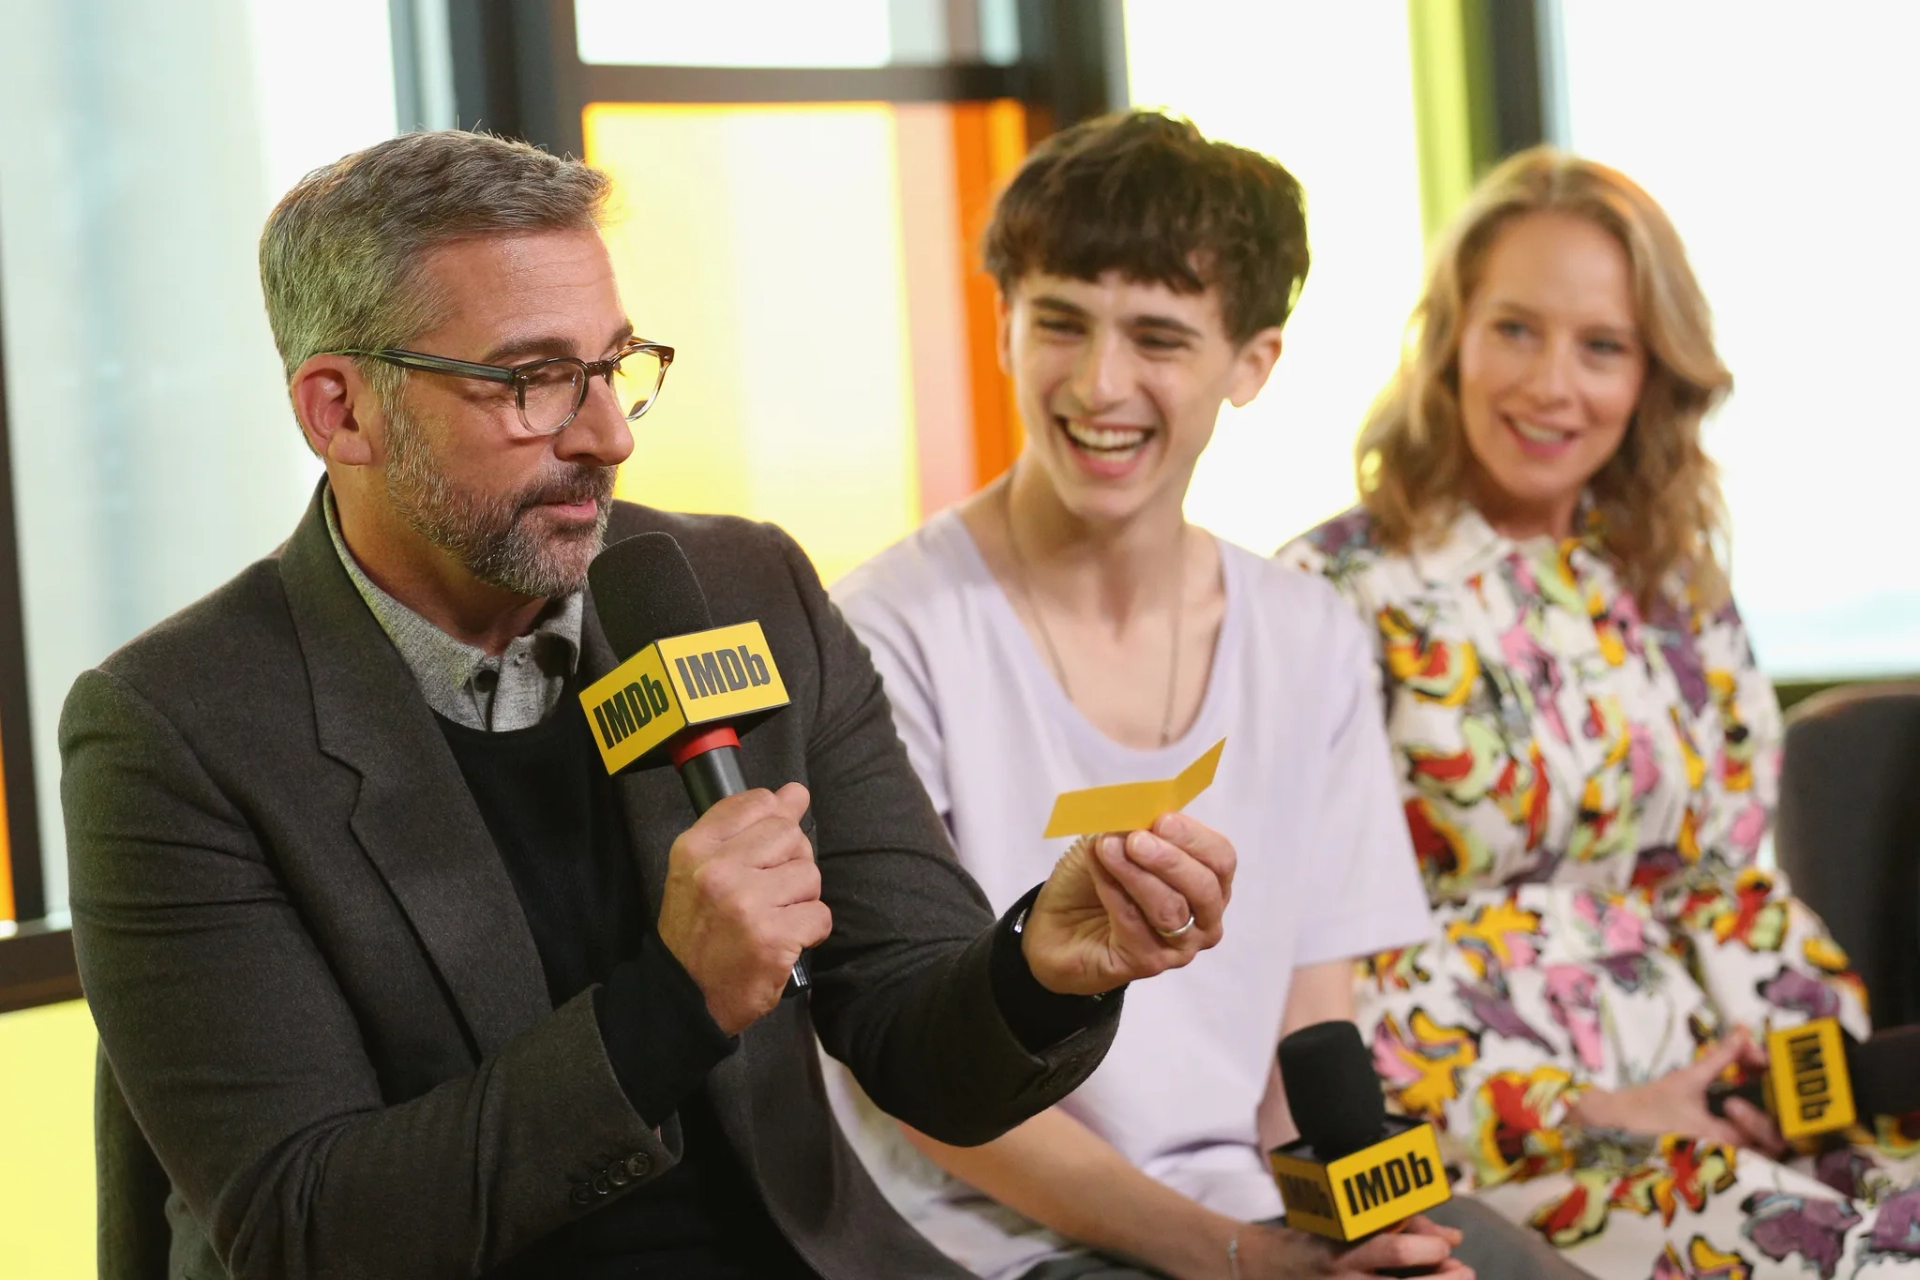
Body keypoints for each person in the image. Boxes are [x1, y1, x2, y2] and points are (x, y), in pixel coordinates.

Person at [60, 129, 1243, 1280]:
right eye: (531, 381)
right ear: (339, 411)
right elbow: (304, 1224)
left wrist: (1042, 965)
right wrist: (671, 1005)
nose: (609, 434)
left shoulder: (747, 588)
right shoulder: (173, 729)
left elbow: (917, 1043)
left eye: (616, 365)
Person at [824, 111, 1584, 1280]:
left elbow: (1308, 1039)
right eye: (1060, 322)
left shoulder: (1307, 631)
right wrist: (1233, 1255)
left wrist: (1353, 1236)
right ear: (1003, 324)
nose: (1099, 382)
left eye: (1159, 337)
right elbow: (921, 1076)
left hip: (1243, 1215)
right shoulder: (885, 631)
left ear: (1252, 364)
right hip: (981, 1234)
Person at [1281, 147, 1920, 1277]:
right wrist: (1611, 1109)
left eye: (1603, 346)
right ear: (1450, 339)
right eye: (1515, 329)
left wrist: (1803, 1086)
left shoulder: (1678, 592)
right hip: (1504, 1138)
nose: (1551, 385)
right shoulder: (1331, 595)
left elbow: (1733, 897)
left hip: (1735, 1096)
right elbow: (1310, 971)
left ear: (1652, 376)